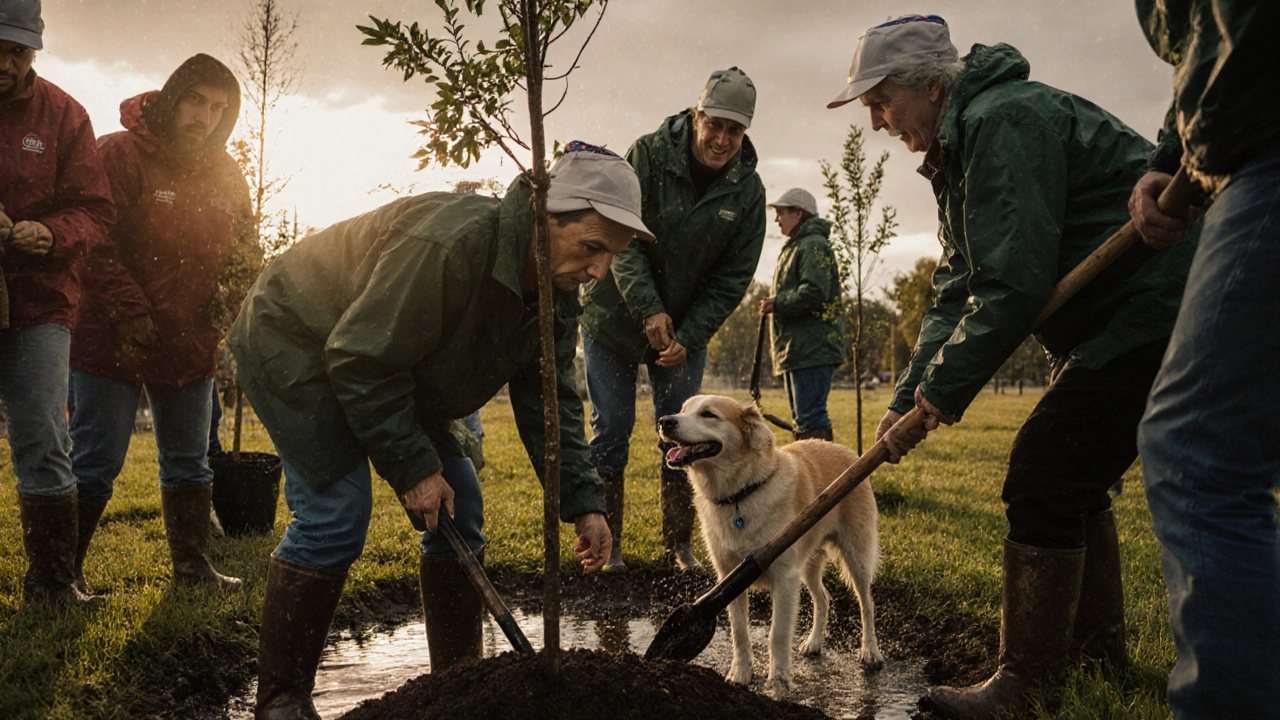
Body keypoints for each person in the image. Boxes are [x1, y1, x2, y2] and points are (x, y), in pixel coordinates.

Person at [828, 15, 1197, 719]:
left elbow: (1012, 286)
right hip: (1115, 323)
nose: (876, 123)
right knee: (1072, 473)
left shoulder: (1004, 122)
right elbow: (957, 287)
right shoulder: (961, 146)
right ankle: (1097, 658)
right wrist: (907, 395)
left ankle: (1026, 686)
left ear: (931, 87)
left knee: (1046, 469)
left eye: (881, 102)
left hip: (1156, 304)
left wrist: (939, 396)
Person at [228, 143, 651, 718]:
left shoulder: (557, 290)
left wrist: (584, 502)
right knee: (336, 515)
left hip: (395, 365)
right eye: (593, 247)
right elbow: (357, 358)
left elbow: (549, 404)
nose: (600, 270)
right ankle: (281, 702)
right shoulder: (452, 246)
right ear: (546, 215)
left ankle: (457, 688)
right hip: (298, 338)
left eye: (612, 257)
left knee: (462, 502)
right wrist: (412, 467)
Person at [1130, 2, 1280, 717]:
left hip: (1264, 147)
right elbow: (1202, 45)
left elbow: (1238, 36)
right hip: (1239, 144)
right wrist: (1172, 159)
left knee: (1196, 447)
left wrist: (1200, 156)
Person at [67, 54, 253, 594]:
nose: (206, 116)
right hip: (112, 334)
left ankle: (194, 571)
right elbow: (95, 238)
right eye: (196, 99)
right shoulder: (118, 154)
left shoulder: (227, 170)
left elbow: (245, 248)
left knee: (190, 461)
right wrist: (129, 310)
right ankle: (61, 575)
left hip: (191, 338)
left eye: (219, 107)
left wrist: (231, 308)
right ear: (173, 96)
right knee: (96, 458)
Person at [580, 67, 766, 573]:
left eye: (736, 130)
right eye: (715, 124)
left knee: (684, 433)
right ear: (696, 115)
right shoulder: (647, 155)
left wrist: (688, 334)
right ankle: (608, 547)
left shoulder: (748, 192)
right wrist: (649, 309)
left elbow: (733, 278)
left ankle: (679, 545)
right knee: (610, 432)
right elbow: (621, 238)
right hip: (615, 319)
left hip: (683, 334)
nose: (723, 139)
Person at [0, 0, 115, 607]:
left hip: (40, 305)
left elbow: (96, 212)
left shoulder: (66, 116)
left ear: (34, 48)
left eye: (16, 49)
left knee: (44, 437)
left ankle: (51, 584)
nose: (3, 60)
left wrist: (52, 234)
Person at [760, 188, 845, 442]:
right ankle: (815, 477)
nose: (777, 220)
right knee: (804, 420)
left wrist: (779, 302)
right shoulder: (799, 246)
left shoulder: (813, 245)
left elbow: (815, 291)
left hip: (812, 348)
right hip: (800, 348)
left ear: (798, 214)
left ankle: (823, 478)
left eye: (781, 213)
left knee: (811, 418)